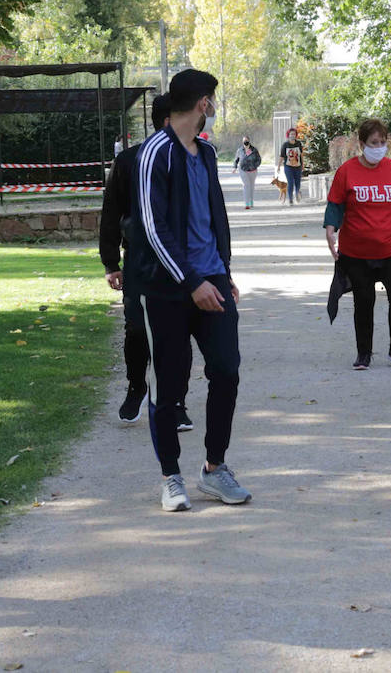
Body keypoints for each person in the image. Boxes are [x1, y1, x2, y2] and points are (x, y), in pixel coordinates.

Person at [134, 69, 250, 511]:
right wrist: (191, 281)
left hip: (211, 278)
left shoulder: (204, 153)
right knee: (169, 383)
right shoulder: (155, 153)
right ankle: (171, 477)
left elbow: (210, 216)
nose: (215, 109)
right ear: (203, 103)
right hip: (166, 288)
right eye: (214, 101)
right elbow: (152, 226)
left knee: (226, 369)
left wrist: (222, 271)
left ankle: (214, 469)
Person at [99, 93, 193, 431]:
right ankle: (137, 385)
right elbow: (111, 213)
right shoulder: (128, 161)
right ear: (167, 121)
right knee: (138, 329)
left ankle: (176, 401)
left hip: (183, 263)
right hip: (140, 261)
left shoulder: (191, 159)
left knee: (179, 334)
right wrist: (111, 262)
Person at [324, 118, 391, 369]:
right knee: (364, 301)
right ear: (361, 144)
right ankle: (364, 353)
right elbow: (335, 205)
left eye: (382, 142)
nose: (379, 146)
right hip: (357, 251)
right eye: (373, 142)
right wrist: (330, 231)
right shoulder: (347, 171)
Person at [233, 137, 261, 209]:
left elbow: (259, 159)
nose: (246, 142)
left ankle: (251, 201)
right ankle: (247, 203)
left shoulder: (254, 150)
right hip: (243, 170)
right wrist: (234, 167)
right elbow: (236, 159)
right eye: (244, 141)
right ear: (242, 142)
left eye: (247, 141)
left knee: (251, 186)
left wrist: (255, 166)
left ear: (249, 141)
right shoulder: (240, 150)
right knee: (246, 185)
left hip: (253, 170)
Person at [279, 127, 304, 204]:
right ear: (288, 135)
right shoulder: (285, 145)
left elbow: (301, 155)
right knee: (290, 182)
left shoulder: (298, 143)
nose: (292, 135)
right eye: (291, 134)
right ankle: (290, 199)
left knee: (298, 182)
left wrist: (303, 164)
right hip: (288, 166)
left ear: (296, 135)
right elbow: (282, 156)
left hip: (298, 166)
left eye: (294, 134)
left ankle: (296, 194)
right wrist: (279, 166)